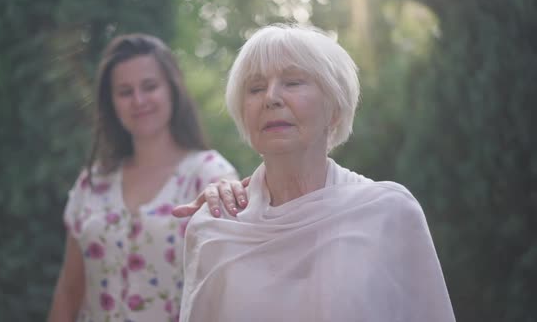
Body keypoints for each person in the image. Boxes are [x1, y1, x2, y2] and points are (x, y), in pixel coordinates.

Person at [177, 24, 456, 322]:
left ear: (334, 108)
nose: (271, 97)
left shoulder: (389, 212)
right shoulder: (214, 226)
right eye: (255, 88)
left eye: (293, 82)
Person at [47, 33, 238, 322]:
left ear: (173, 90)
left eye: (150, 86)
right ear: (111, 102)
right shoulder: (92, 183)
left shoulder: (210, 176)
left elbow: (228, 293)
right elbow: (69, 290)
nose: (138, 100)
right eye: (124, 91)